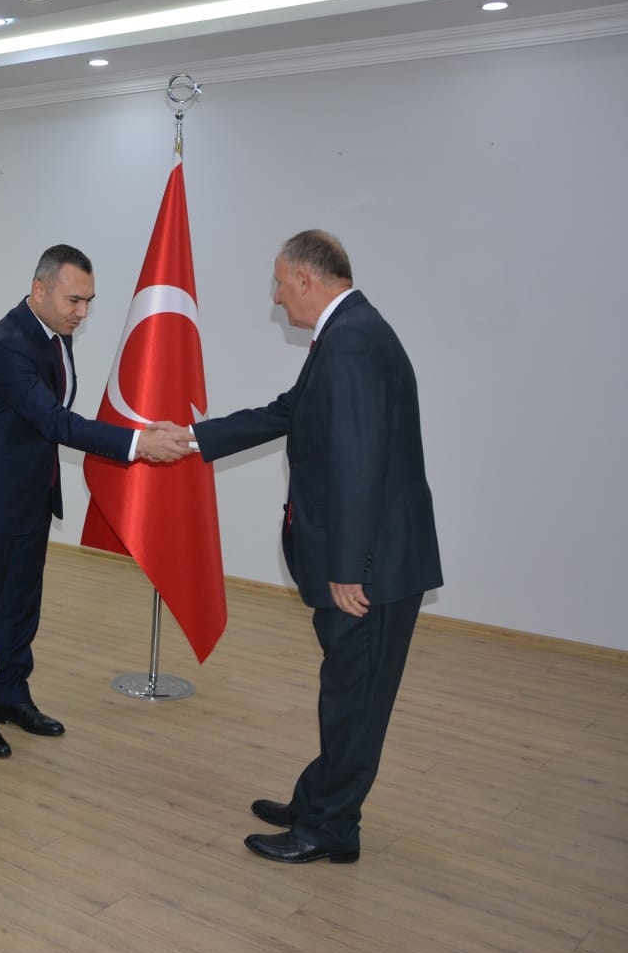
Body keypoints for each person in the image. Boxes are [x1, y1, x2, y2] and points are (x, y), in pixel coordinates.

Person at [153, 229, 442, 863]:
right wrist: (195, 437)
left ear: (307, 279)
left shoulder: (353, 342)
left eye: (281, 285)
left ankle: (331, 829)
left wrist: (348, 567)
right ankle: (320, 801)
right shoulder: (347, 333)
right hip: (371, 557)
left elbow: (360, 464)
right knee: (345, 691)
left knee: (355, 700)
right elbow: (289, 411)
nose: (278, 298)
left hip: (370, 567)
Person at [0, 244, 174, 757]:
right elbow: (55, 421)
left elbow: (51, 417)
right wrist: (137, 443)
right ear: (39, 290)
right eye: (74, 300)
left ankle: (10, 695)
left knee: (21, 604)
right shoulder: (7, 346)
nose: (82, 313)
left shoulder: (52, 334)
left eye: (89, 301)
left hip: (32, 492)